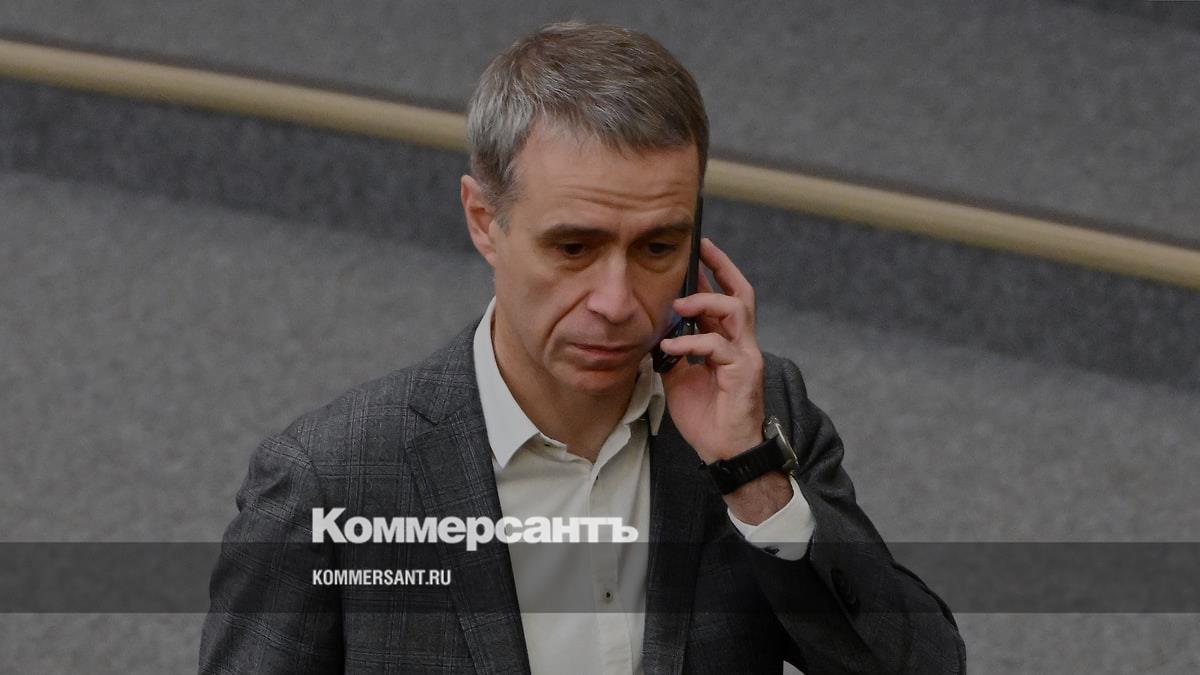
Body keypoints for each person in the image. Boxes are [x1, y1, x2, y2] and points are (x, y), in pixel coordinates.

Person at [200, 21, 965, 674]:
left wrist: (753, 479)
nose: (618, 302)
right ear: (483, 220)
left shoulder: (762, 419)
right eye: (574, 247)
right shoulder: (332, 480)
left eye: (658, 247)